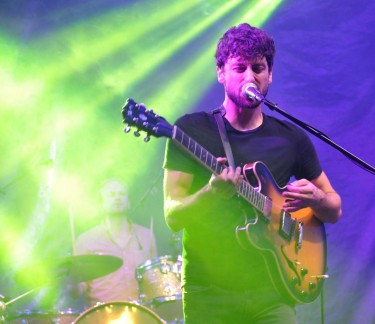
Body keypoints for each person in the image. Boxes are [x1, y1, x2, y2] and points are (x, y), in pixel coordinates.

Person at [162, 23, 342, 323]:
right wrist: (211, 193)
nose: (250, 77)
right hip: (209, 294)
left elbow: (334, 209)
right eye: (239, 67)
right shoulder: (191, 131)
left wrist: (317, 199)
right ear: (221, 73)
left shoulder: (291, 138)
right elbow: (172, 216)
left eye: (258, 68)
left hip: (272, 293)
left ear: (269, 75)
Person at [74, 178, 157, 307]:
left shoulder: (146, 235)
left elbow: (155, 277)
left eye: (122, 194)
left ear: (128, 202)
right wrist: (68, 285)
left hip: (141, 313)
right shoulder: (85, 240)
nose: (117, 198)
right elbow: (79, 287)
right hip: (102, 315)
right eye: (111, 195)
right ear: (101, 204)